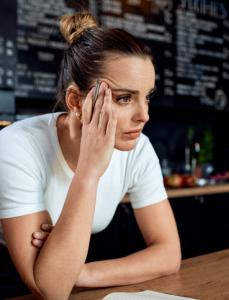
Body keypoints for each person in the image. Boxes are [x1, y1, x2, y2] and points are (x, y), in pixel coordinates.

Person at [0, 11, 181, 299]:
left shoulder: (138, 149)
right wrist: (89, 172)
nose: (144, 115)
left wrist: (78, 272)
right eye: (124, 98)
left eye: (147, 96)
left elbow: (169, 255)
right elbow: (50, 288)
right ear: (75, 101)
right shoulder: (15, 146)